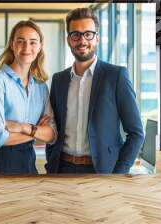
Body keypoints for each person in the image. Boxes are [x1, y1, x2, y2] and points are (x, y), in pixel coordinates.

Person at [45, 8, 144, 174]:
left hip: (102, 171)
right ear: (69, 40)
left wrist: (119, 173)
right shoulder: (58, 80)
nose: (82, 40)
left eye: (88, 34)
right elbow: (54, 126)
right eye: (75, 34)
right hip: (62, 169)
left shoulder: (116, 76)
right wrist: (51, 163)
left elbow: (136, 133)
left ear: (97, 38)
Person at [0, 20, 56, 174]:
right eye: (21, 41)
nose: (26, 48)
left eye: (32, 42)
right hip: (1, 162)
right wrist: (35, 131)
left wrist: (22, 127)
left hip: (29, 160)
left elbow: (51, 134)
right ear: (12, 45)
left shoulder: (41, 86)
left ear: (40, 46)